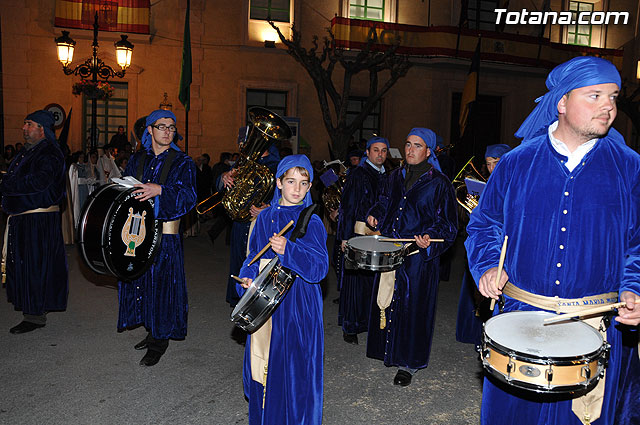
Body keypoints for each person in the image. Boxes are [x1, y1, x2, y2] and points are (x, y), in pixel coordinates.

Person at [465, 56, 640, 425]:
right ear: (562, 103)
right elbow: (485, 224)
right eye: (594, 95)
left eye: (613, 96)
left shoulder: (630, 167)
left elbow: (638, 243)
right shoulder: (516, 163)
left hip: (597, 327)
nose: (608, 106)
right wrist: (485, 267)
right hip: (519, 321)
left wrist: (634, 287)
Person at [237, 154, 328, 425]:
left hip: (300, 305)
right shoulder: (264, 218)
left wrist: (289, 249)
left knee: (295, 370)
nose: (297, 189)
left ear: (310, 187)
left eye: (303, 183)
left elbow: (319, 268)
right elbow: (253, 257)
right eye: (291, 181)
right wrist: (245, 279)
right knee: (265, 365)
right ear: (278, 183)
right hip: (267, 303)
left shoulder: (311, 221)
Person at [366, 127, 457, 386]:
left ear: (428, 151)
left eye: (417, 146)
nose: (410, 150)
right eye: (407, 144)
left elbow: (449, 225)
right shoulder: (394, 177)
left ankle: (409, 363)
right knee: (388, 300)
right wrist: (375, 213)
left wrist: (429, 236)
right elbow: (384, 203)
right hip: (391, 249)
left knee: (414, 308)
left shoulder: (440, 183)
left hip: (418, 257)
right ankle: (388, 351)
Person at [116, 110, 197, 367]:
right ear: (149, 130)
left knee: (163, 286)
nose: (168, 131)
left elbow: (188, 196)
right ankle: (151, 330)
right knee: (141, 282)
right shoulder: (138, 158)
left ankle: (159, 340)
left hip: (166, 235)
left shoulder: (183, 162)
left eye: (172, 127)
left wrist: (160, 190)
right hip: (137, 231)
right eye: (162, 127)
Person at [1, 110, 68, 334]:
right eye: (24, 123)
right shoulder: (28, 152)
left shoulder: (50, 152)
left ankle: (34, 316)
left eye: (29, 124)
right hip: (26, 219)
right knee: (24, 264)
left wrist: (6, 183)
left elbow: (38, 182)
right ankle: (32, 306)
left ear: (42, 129)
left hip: (37, 220)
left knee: (34, 266)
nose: (24, 128)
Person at [455, 143, 511, 345]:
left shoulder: (516, 184)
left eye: (497, 162)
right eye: (488, 164)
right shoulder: (485, 184)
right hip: (485, 250)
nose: (492, 168)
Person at [336, 136, 388, 345]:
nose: (380, 154)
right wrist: (344, 237)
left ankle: (369, 322)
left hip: (380, 236)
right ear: (367, 152)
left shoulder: (388, 176)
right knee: (355, 282)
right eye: (376, 150)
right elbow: (347, 207)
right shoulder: (358, 174)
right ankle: (351, 326)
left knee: (374, 283)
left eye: (384, 150)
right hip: (358, 235)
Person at [222, 143, 280, 308]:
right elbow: (224, 190)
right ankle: (239, 301)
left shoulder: (277, 165)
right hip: (241, 223)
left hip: (262, 223)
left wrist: (268, 208)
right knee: (239, 262)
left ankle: (258, 304)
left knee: (259, 262)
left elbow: (287, 198)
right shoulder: (243, 163)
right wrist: (224, 177)